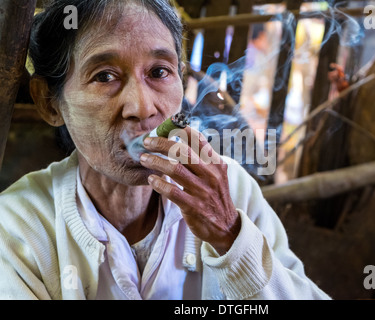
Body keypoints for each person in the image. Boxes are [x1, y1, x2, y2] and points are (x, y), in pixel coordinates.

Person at [0, 0, 330, 300]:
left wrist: (230, 238)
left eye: (159, 72)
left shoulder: (230, 189)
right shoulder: (16, 228)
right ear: (49, 102)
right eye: (105, 76)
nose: (143, 108)